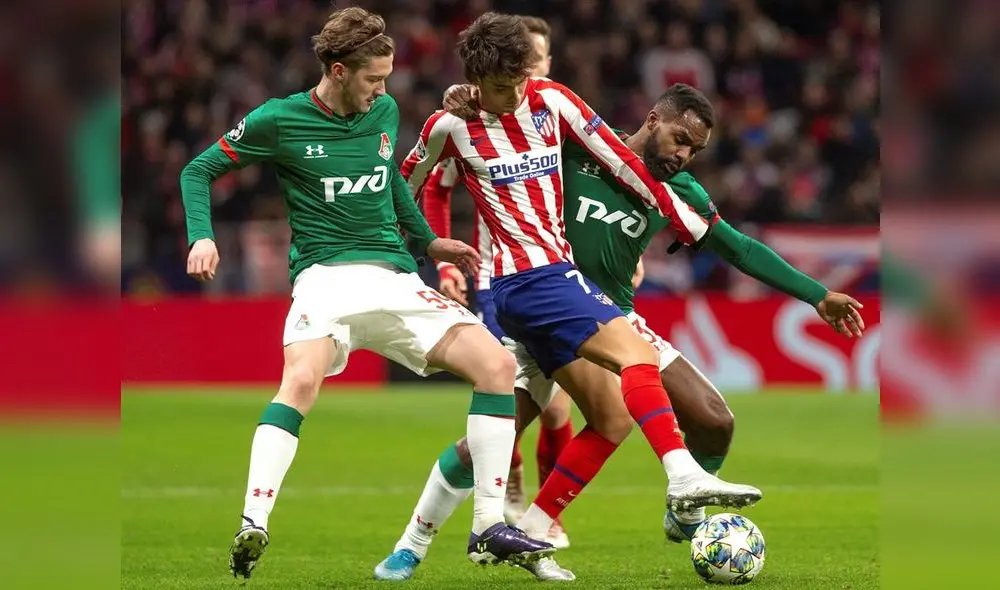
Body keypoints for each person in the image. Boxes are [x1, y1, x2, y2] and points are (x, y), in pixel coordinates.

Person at [375, 82, 864, 582]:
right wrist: (468, 95)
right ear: (652, 119)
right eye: (679, 139)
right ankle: (410, 546)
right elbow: (511, 126)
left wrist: (817, 295)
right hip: (543, 307)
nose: (683, 155)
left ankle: (667, 508)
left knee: (715, 420)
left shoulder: (680, 191)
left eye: (694, 150)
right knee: (488, 442)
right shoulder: (578, 145)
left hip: (610, 315)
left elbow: (738, 248)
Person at [178, 7, 554, 580]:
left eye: (387, 78)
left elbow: (392, 188)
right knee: (300, 381)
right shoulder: (279, 120)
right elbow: (197, 171)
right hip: (326, 278)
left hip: (396, 279)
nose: (384, 89)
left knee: (498, 367)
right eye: (374, 78)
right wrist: (203, 236)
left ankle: (486, 526)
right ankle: (254, 520)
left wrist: (429, 244)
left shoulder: (383, 110)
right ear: (337, 70)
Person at [421, 15, 575, 549]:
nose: (524, 75)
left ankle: (531, 511)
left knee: (559, 407)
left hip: (563, 268)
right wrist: (443, 264)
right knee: (526, 397)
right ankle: (510, 501)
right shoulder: (465, 121)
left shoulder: (556, 111)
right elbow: (433, 189)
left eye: (536, 61)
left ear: (545, 63)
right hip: (498, 277)